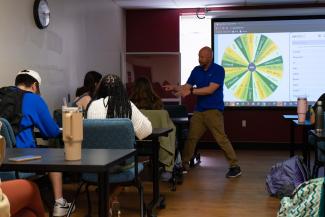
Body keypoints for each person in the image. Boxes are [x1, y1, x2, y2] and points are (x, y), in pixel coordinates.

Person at [163, 46, 242, 178]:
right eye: (199, 56)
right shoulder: (196, 70)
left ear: (210, 57)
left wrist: (192, 91)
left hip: (213, 111)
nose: (200, 59)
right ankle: (184, 163)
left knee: (221, 139)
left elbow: (210, 90)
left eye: (203, 57)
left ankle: (235, 166)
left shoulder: (218, 70)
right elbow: (187, 87)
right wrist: (175, 87)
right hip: (199, 111)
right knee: (191, 138)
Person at [9, 70, 74, 216]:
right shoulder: (33, 99)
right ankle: (59, 204)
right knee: (54, 155)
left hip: (3, 159)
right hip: (22, 158)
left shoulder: (4, 97)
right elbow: (51, 132)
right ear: (34, 86)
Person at [87, 74, 152, 213]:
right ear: (121, 89)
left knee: (109, 162)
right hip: (122, 165)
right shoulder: (127, 105)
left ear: (100, 89)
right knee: (130, 161)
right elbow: (145, 131)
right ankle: (112, 197)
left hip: (96, 164)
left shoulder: (92, 106)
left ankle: (107, 199)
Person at [130, 77, 175, 180]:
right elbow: (168, 128)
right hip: (155, 142)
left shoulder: (129, 105)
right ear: (150, 88)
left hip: (136, 142)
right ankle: (168, 169)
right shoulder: (157, 103)